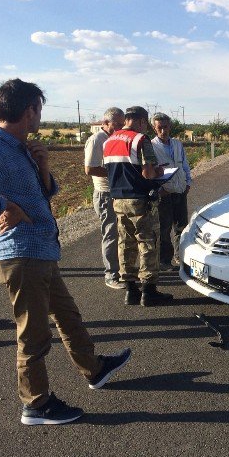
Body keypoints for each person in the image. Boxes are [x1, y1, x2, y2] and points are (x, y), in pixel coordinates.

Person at [0, 78, 131, 425]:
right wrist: (2, 205)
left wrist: (42, 168)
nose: (40, 118)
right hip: (22, 254)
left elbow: (43, 194)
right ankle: (36, 405)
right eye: (39, 110)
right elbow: (9, 201)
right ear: (29, 111)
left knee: (68, 316)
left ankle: (94, 369)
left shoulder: (20, 146)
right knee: (34, 335)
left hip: (41, 250)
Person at [103, 106, 173, 307]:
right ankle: (149, 291)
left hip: (118, 200)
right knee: (147, 242)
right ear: (142, 121)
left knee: (125, 244)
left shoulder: (109, 141)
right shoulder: (140, 140)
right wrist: (160, 172)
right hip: (140, 200)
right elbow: (148, 173)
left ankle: (131, 291)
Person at [84, 107, 126, 289]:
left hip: (118, 192)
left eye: (122, 124)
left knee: (122, 233)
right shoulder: (96, 140)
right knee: (111, 234)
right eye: (116, 125)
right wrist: (115, 172)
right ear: (105, 123)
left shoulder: (116, 139)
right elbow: (90, 169)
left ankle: (122, 271)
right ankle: (111, 275)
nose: (120, 128)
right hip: (104, 194)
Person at [150, 113, 192, 271]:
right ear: (155, 128)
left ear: (170, 127)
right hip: (164, 194)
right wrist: (160, 190)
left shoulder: (177, 144)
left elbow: (185, 165)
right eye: (159, 127)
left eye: (165, 127)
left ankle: (180, 256)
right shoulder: (151, 147)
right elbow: (149, 172)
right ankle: (164, 261)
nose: (163, 130)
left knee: (181, 226)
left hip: (180, 191)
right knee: (164, 229)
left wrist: (188, 183)